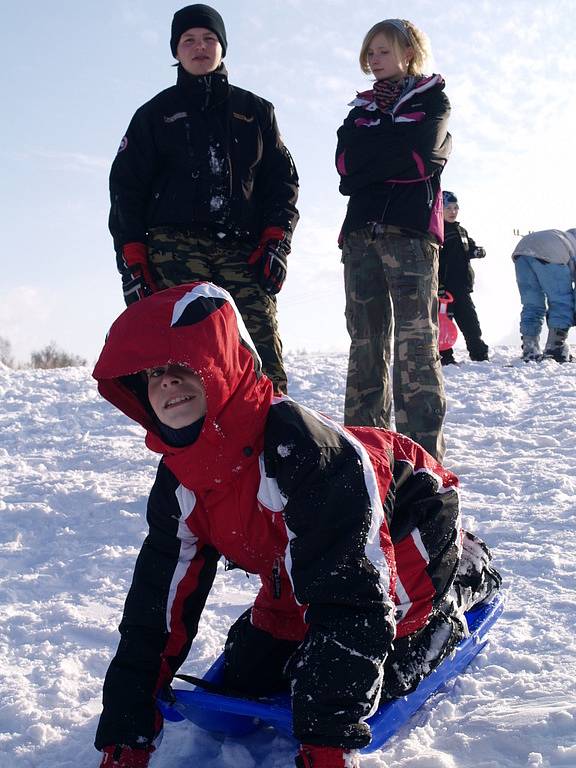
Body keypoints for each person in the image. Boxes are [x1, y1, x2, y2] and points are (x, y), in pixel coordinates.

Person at [92, 282, 501, 768]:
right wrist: (128, 728)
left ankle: (462, 575)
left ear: (224, 364)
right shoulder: (180, 479)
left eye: (184, 365)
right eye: (155, 373)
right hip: (306, 551)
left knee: (381, 658)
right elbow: (157, 602)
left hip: (409, 512)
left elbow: (352, 593)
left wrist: (327, 742)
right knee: (254, 663)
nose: (167, 382)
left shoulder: (308, 454)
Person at [108, 4, 299, 393]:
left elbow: (282, 182)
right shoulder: (154, 115)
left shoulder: (256, 111)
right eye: (189, 40)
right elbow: (125, 190)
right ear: (176, 51)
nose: (200, 47)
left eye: (209, 39)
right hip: (172, 250)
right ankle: (191, 451)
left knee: (260, 361)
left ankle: (269, 446)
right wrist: (132, 260)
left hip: (242, 250)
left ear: (223, 47)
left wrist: (276, 242)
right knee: (187, 360)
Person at [335, 18, 451, 462]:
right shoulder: (358, 112)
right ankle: (366, 457)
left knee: (415, 348)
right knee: (365, 346)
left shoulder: (433, 101)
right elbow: (347, 166)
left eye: (383, 50)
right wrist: (390, 152)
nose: (374, 59)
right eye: (370, 52)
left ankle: (423, 463)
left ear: (408, 52)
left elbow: (422, 157)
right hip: (360, 237)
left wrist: (376, 159)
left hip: (412, 236)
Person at [438, 191, 489, 365]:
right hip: (445, 289)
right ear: (439, 208)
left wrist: (476, 251)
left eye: (455, 208)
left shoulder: (461, 230)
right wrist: (439, 285)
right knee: (444, 323)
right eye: (448, 208)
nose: (453, 212)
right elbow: (434, 261)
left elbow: (468, 248)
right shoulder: (437, 231)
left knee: (470, 322)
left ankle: (479, 354)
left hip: (462, 286)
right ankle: (445, 357)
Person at [512, 229, 576, 362]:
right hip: (550, 253)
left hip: (521, 251)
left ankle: (530, 349)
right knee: (561, 302)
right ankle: (555, 348)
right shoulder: (569, 245)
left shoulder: (565, 237)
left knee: (532, 304)